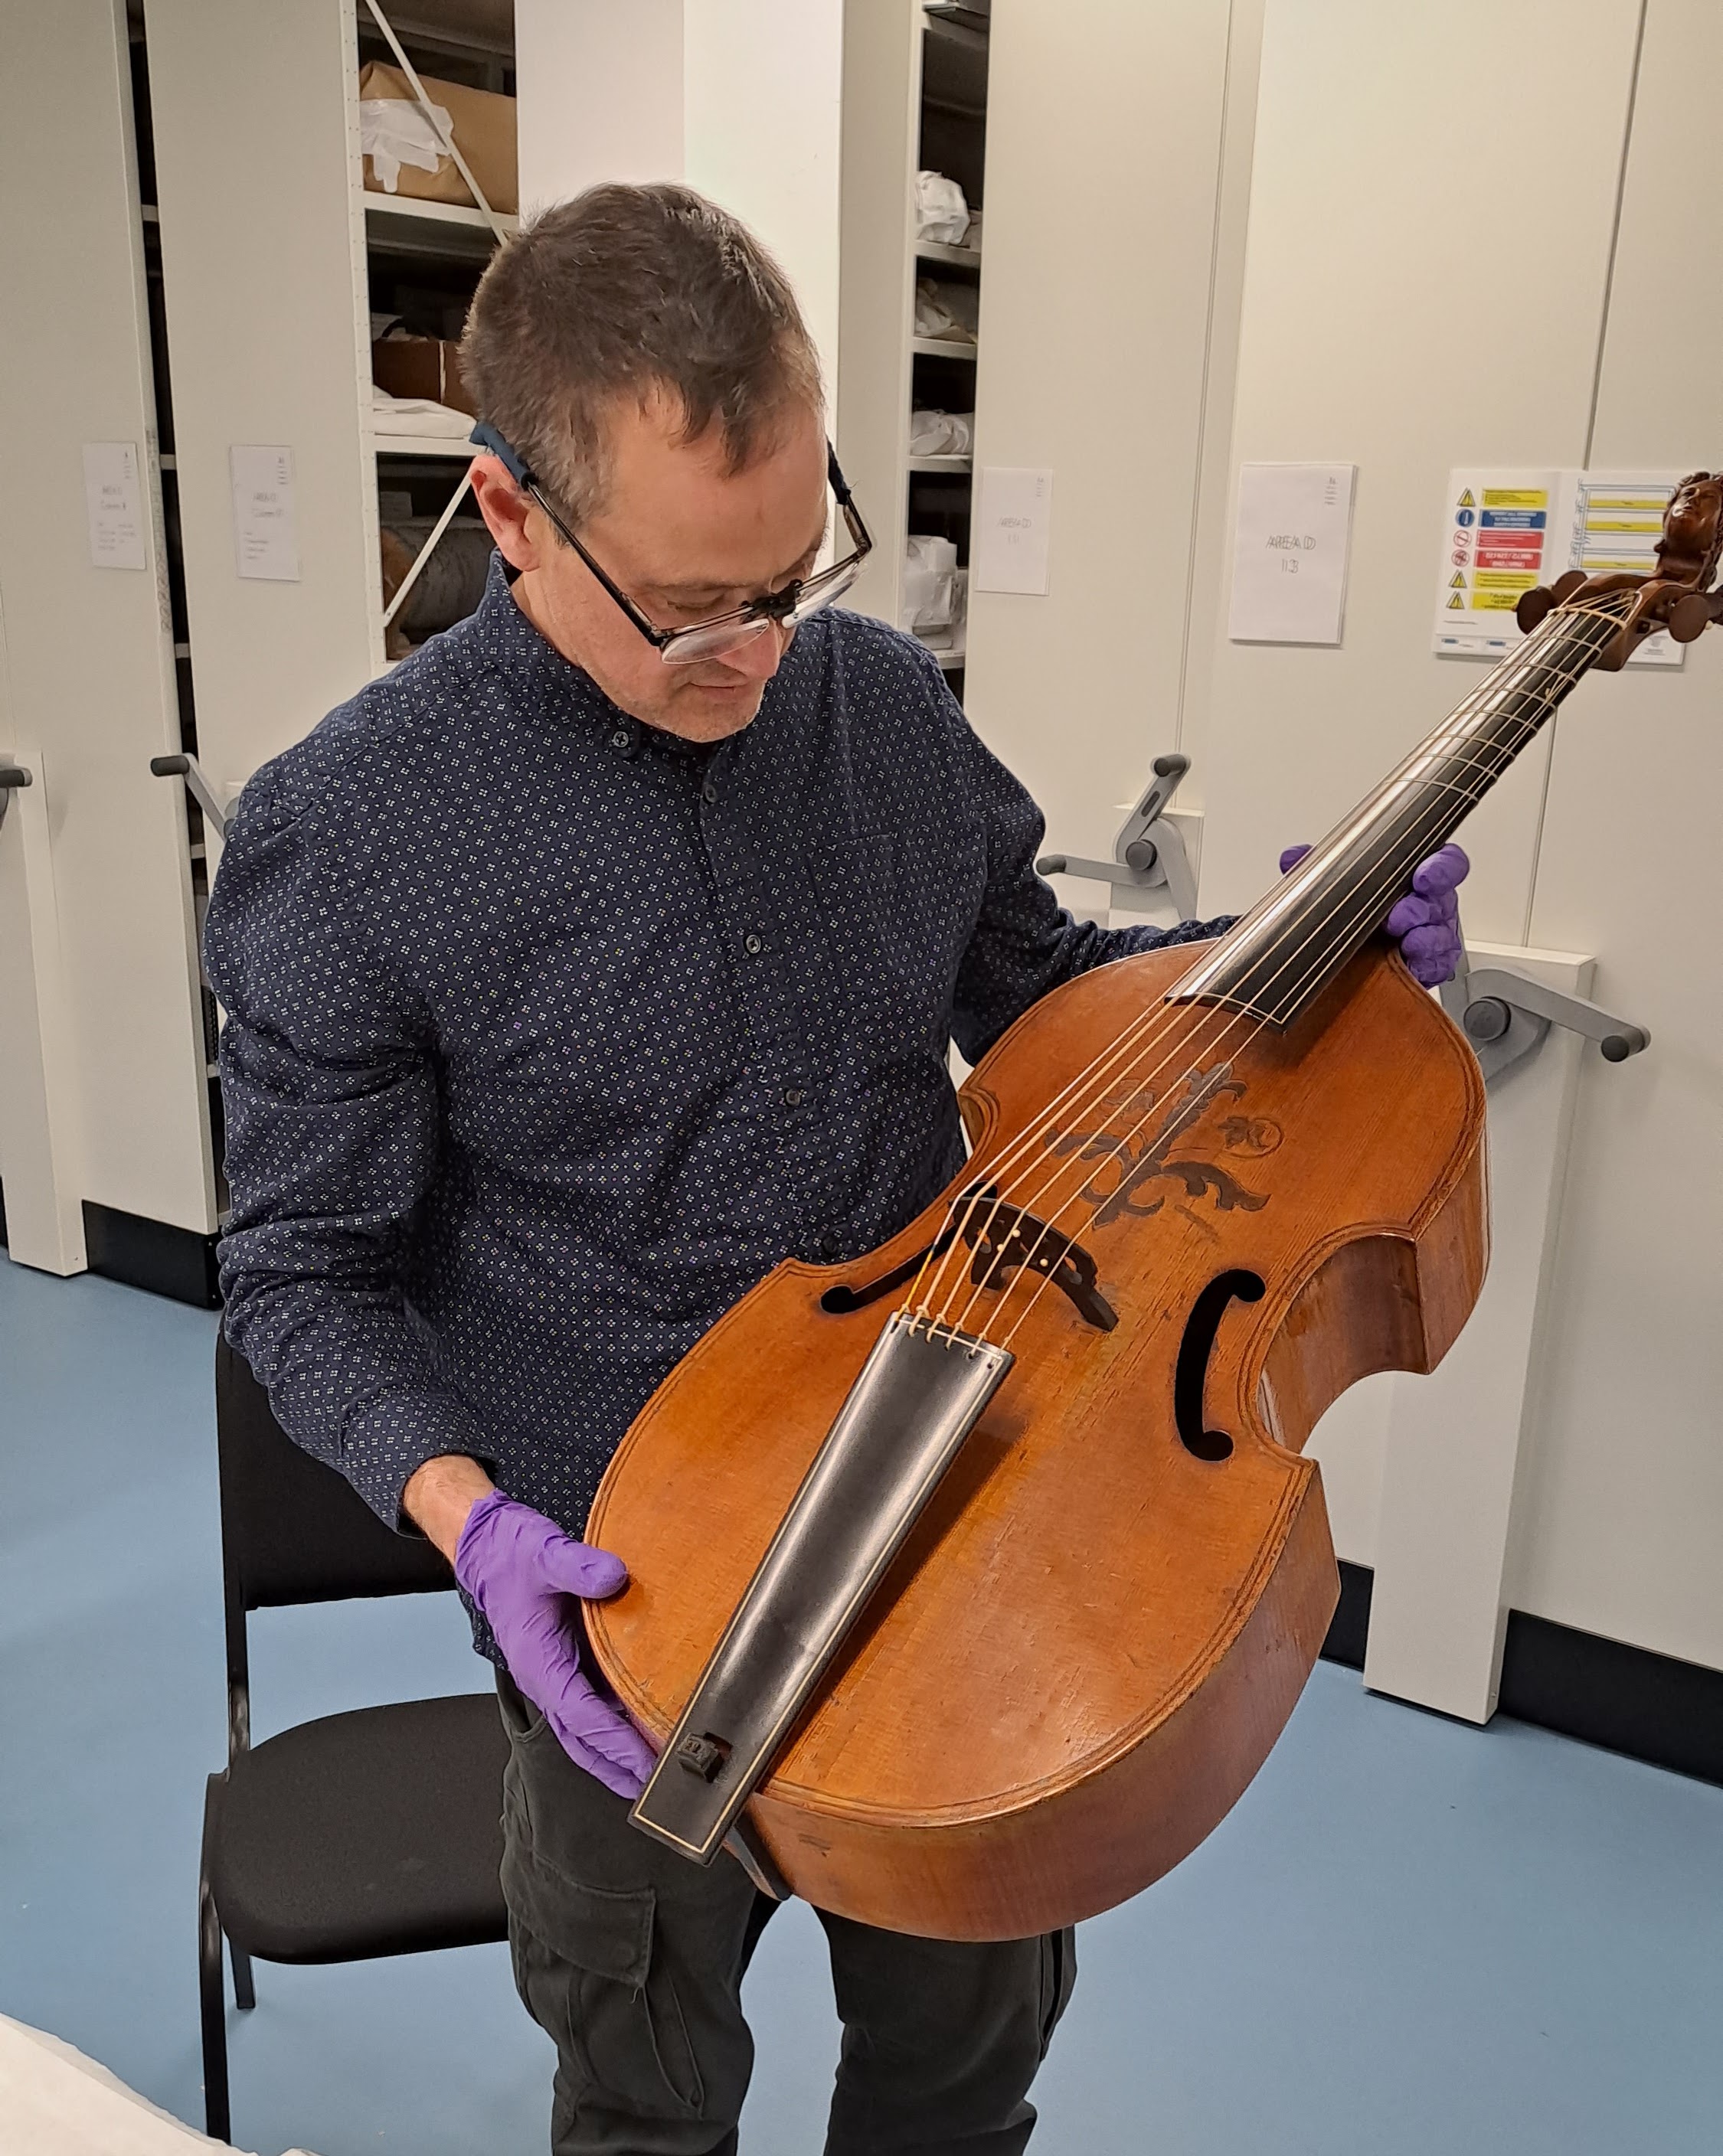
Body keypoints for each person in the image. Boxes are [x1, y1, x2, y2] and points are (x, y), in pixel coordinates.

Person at [203, 183, 1466, 2156]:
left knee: (960, 2076)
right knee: (649, 2091)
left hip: (973, 1533)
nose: (765, 648)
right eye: (697, 604)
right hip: (627, 1596)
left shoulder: (872, 705)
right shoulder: (352, 836)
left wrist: (1271, 960)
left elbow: (1040, 992)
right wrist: (468, 1526)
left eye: (799, 569)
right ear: (513, 513)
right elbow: (301, 1271)